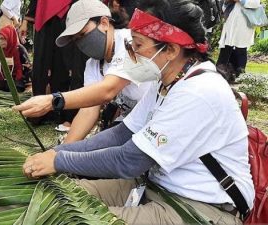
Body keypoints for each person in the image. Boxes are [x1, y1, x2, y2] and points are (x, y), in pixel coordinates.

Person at [18, 0, 255, 224]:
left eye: (138, 45)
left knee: (67, 218)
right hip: (156, 187)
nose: (131, 53)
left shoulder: (198, 91)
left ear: (171, 50)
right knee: (57, 198)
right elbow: (121, 133)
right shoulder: (165, 82)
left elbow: (129, 160)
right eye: (131, 43)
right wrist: (57, 151)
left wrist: (60, 160)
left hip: (197, 207)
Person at [54, 0, 150, 141]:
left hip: (156, 121)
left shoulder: (130, 42)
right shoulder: (93, 64)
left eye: (83, 34)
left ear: (104, 23)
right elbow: (89, 109)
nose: (81, 43)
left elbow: (107, 90)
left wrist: (53, 101)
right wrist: (62, 151)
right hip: (132, 122)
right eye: (76, 40)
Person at [19, 0, 89, 126]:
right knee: (41, 65)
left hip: (71, 16)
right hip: (46, 19)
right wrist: (25, 21)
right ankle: (39, 112)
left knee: (65, 66)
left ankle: (64, 113)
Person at [216, 0, 259, 83]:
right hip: (230, 25)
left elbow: (255, 4)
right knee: (226, 48)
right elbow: (224, 7)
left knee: (240, 49)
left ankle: (239, 75)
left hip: (243, 25)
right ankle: (221, 74)